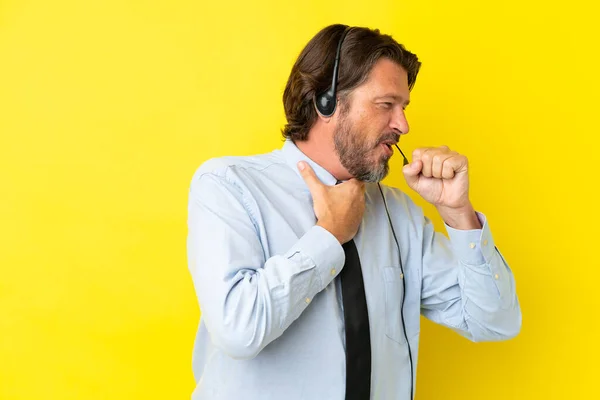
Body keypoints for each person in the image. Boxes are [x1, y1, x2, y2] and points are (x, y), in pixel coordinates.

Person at [186, 23, 521, 400]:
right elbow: (238, 330)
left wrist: (458, 212)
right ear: (325, 102)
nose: (403, 125)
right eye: (386, 105)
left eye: (404, 107)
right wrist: (328, 235)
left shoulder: (399, 214)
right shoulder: (229, 186)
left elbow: (495, 321)